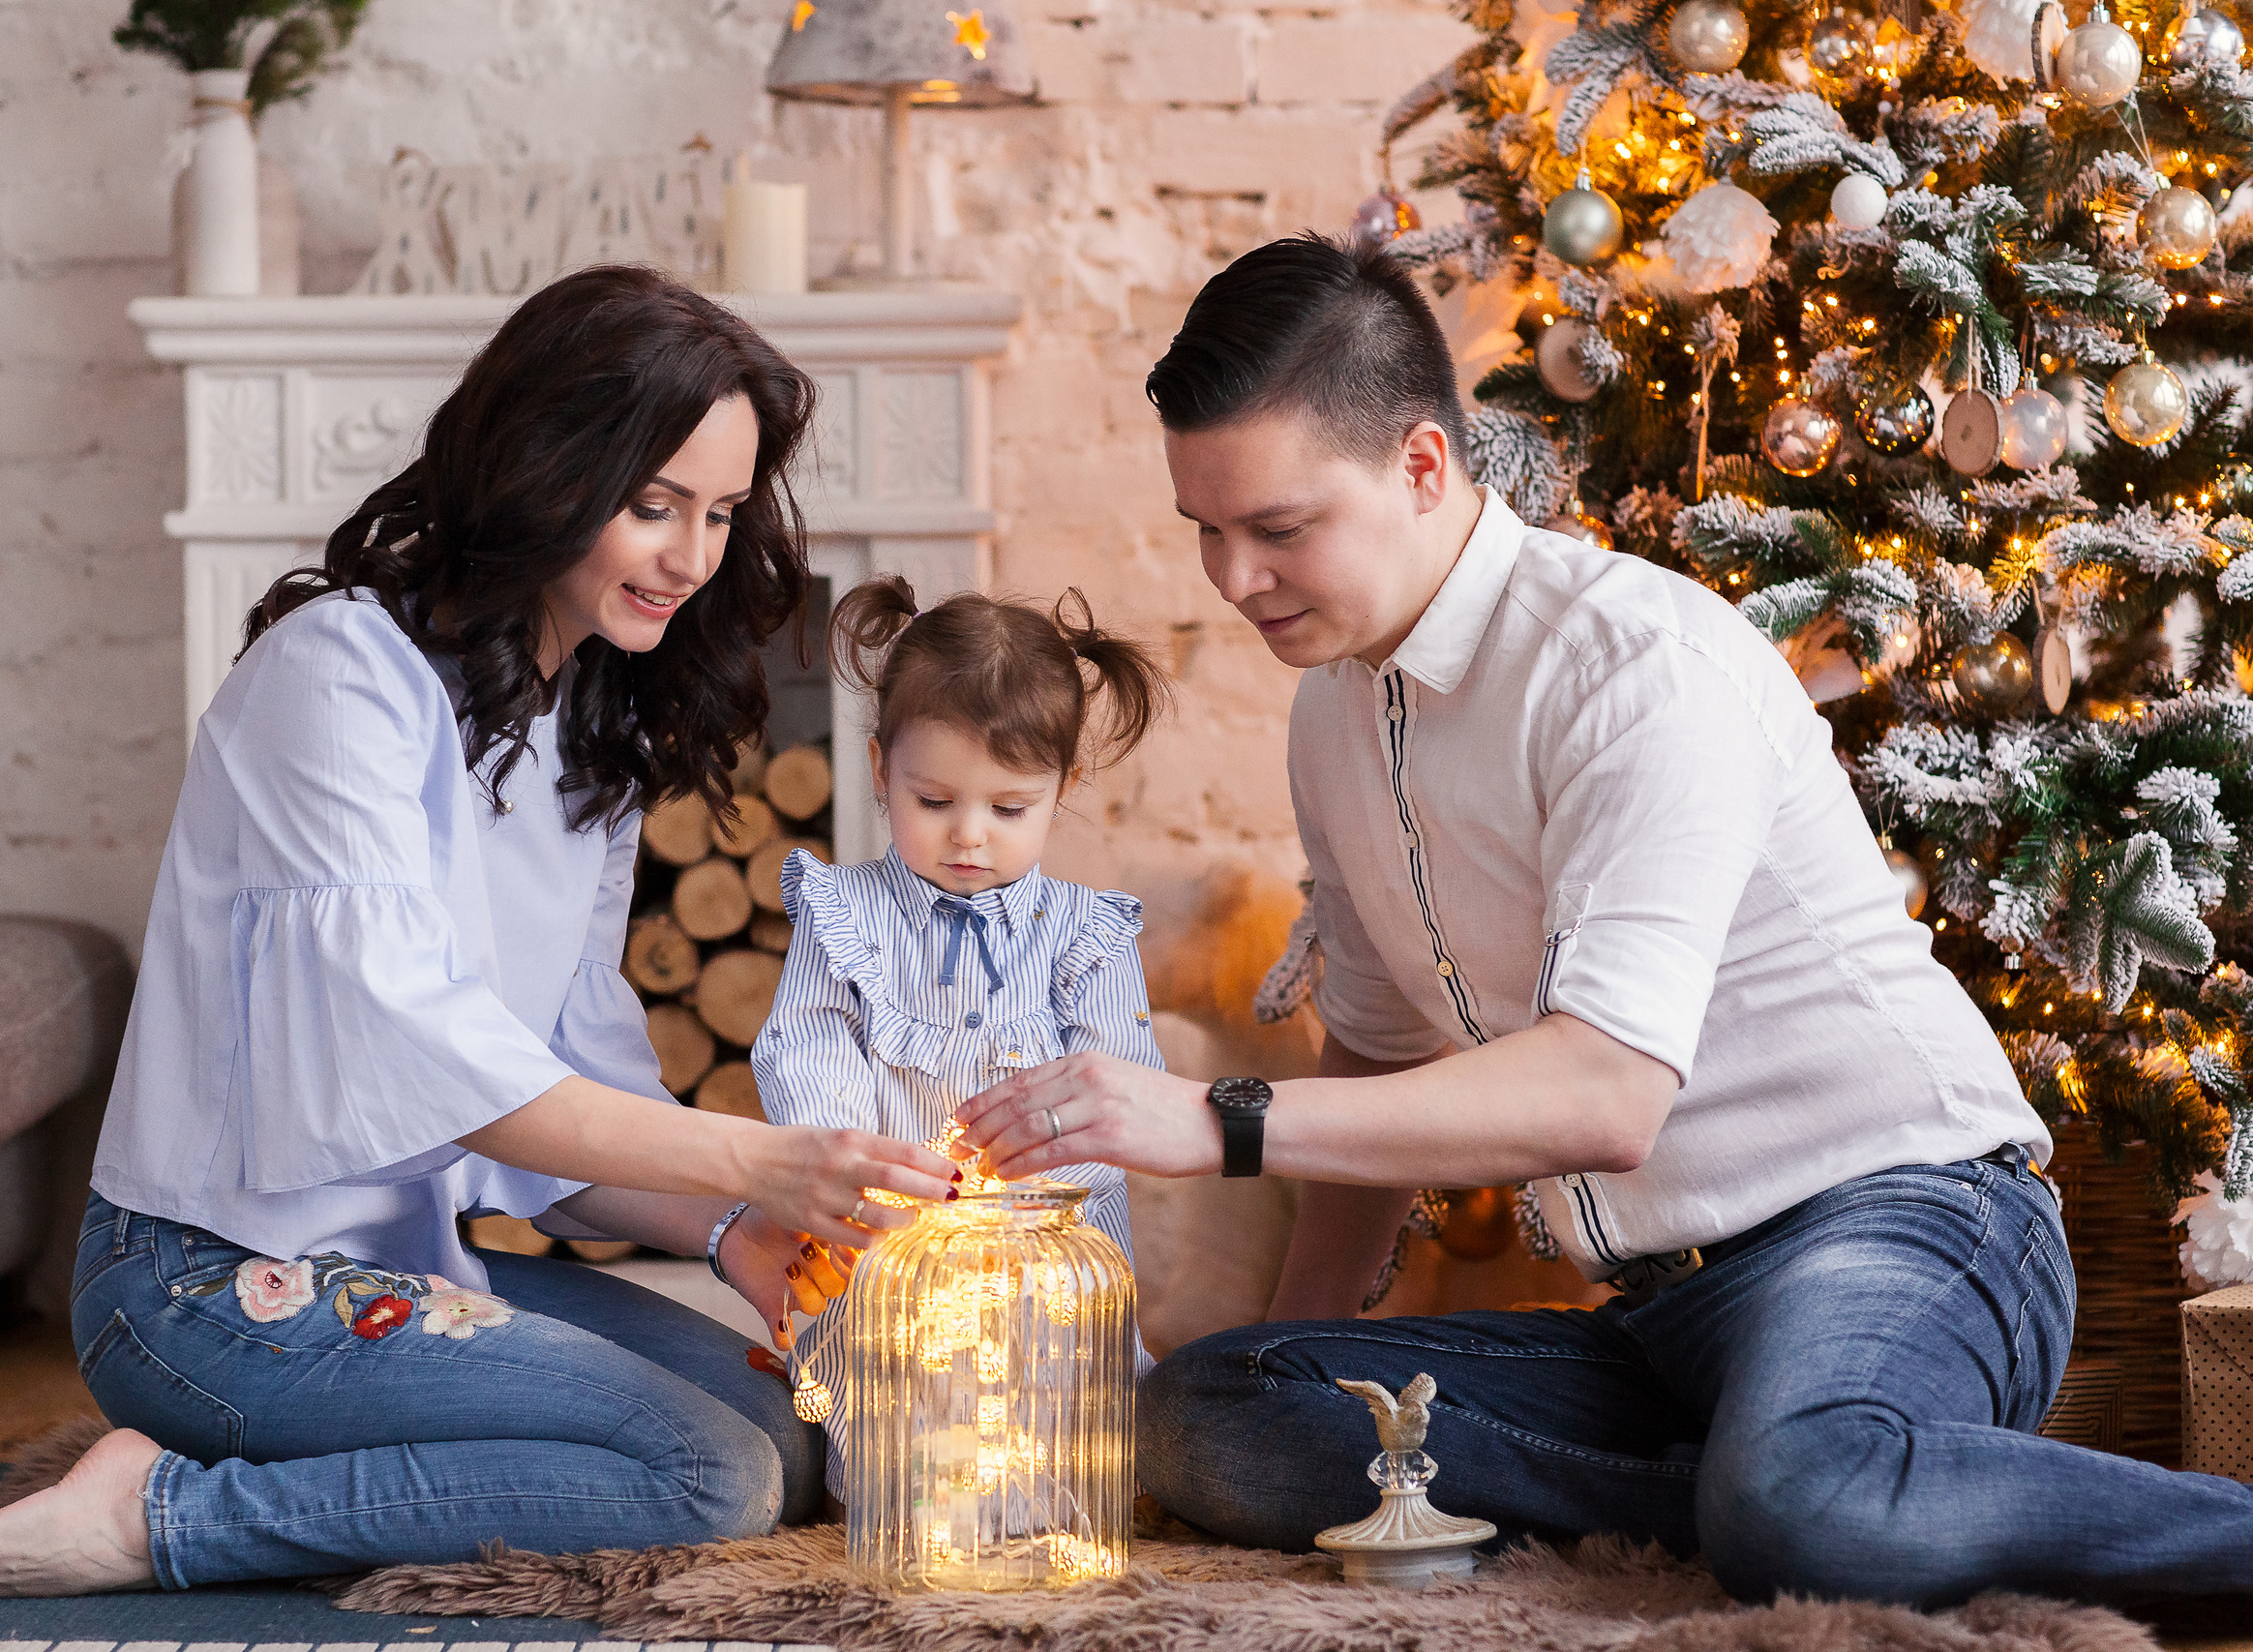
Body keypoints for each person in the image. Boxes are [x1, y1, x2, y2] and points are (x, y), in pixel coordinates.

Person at [952, 234, 2253, 1607]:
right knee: (1213, 1413)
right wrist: (1298, 1360)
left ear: (1423, 465)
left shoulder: (1634, 665)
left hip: (1902, 1222)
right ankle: (1768, 1488)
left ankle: (1805, 1488)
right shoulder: (1331, 713)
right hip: (1658, 1316)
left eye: (1277, 529)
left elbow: (1605, 1093)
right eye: (1204, 529)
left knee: (1804, 1499)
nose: (1232, 578)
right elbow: (1378, 1051)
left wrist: (1216, 1119)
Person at [0, 266, 956, 1604]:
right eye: (653, 504)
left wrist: (739, 1230)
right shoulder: (339, 675)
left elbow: (572, 1105)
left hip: (399, 1268)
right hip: (198, 1288)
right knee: (708, 1475)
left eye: (722, 513)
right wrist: (767, 1158)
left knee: (785, 1438)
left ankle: (257, 1461)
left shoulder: (589, 727)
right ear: (548, 471)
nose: (692, 557)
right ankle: (158, 1515)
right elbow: (437, 1068)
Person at [753, 577, 1170, 1486]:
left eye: (1008, 809)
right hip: (893, 1245)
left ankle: (1054, 1495)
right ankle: (903, 1493)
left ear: (1062, 788)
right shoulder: (845, 915)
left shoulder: (1087, 935)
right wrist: (861, 1165)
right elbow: (805, 1046)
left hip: (1043, 1250)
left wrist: (1029, 1193)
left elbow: (1122, 1093)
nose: (968, 836)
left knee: (1061, 1436)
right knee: (903, 1429)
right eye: (934, 801)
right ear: (879, 771)